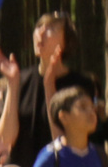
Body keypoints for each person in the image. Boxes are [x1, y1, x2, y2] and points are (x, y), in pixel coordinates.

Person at [11, 13, 102, 157]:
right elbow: (6, 139)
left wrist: (49, 86)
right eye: (39, 26)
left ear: (67, 42)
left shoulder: (81, 85)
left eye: (51, 29)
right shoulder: (20, 79)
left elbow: (65, 143)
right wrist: (12, 84)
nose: (41, 32)